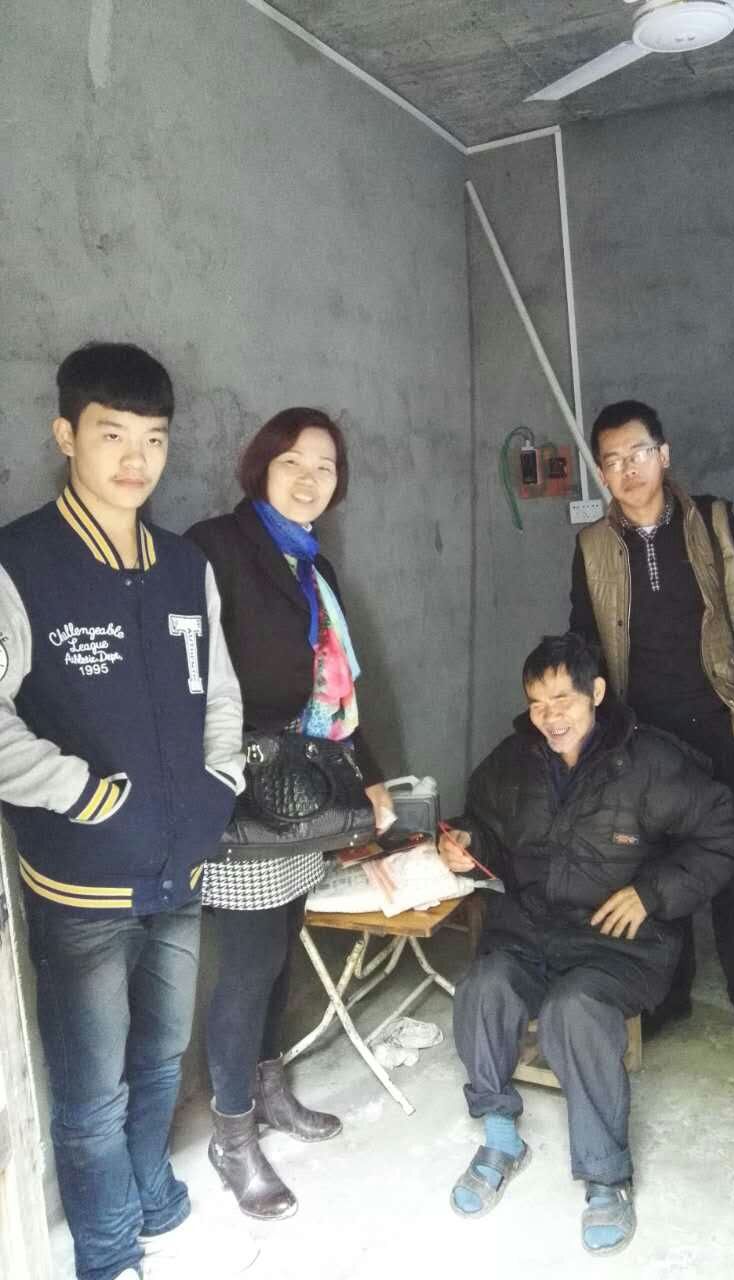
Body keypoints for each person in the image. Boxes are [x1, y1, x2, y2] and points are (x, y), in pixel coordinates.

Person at [0, 343, 248, 1280]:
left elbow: (219, 693)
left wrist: (220, 783)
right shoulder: (21, 562)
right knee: (92, 1092)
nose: (136, 459)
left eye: (153, 438)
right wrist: (80, 791)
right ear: (66, 436)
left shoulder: (185, 565)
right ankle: (107, 1255)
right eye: (112, 435)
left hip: (180, 867)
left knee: (161, 1060)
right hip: (82, 882)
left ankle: (154, 1194)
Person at [439, 632, 734, 1257]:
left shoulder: (649, 761)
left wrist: (651, 894)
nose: (549, 717)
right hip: (530, 929)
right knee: (480, 988)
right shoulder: (512, 761)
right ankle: (500, 1136)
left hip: (619, 944)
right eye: (537, 703)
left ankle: (607, 1177)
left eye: (563, 699)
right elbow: (487, 832)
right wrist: (466, 845)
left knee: (573, 1011)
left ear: (596, 693)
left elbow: (724, 837)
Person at [187, 406, 393, 1219]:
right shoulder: (217, 547)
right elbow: (188, 678)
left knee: (277, 957)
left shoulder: (313, 565)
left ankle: (269, 1091)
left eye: (326, 467)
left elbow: (335, 692)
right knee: (245, 968)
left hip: (302, 791)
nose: (310, 479)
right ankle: (231, 1135)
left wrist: (369, 780)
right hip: (243, 795)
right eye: (293, 463)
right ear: (260, 467)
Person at [569, 400, 734, 1062]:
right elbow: (584, 638)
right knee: (661, 867)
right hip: (646, 735)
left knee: (732, 866)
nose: (628, 469)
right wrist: (582, 718)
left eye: (639, 453)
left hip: (721, 721)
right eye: (612, 460)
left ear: (663, 455)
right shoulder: (592, 546)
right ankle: (672, 994)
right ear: (602, 473)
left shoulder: (713, 521)